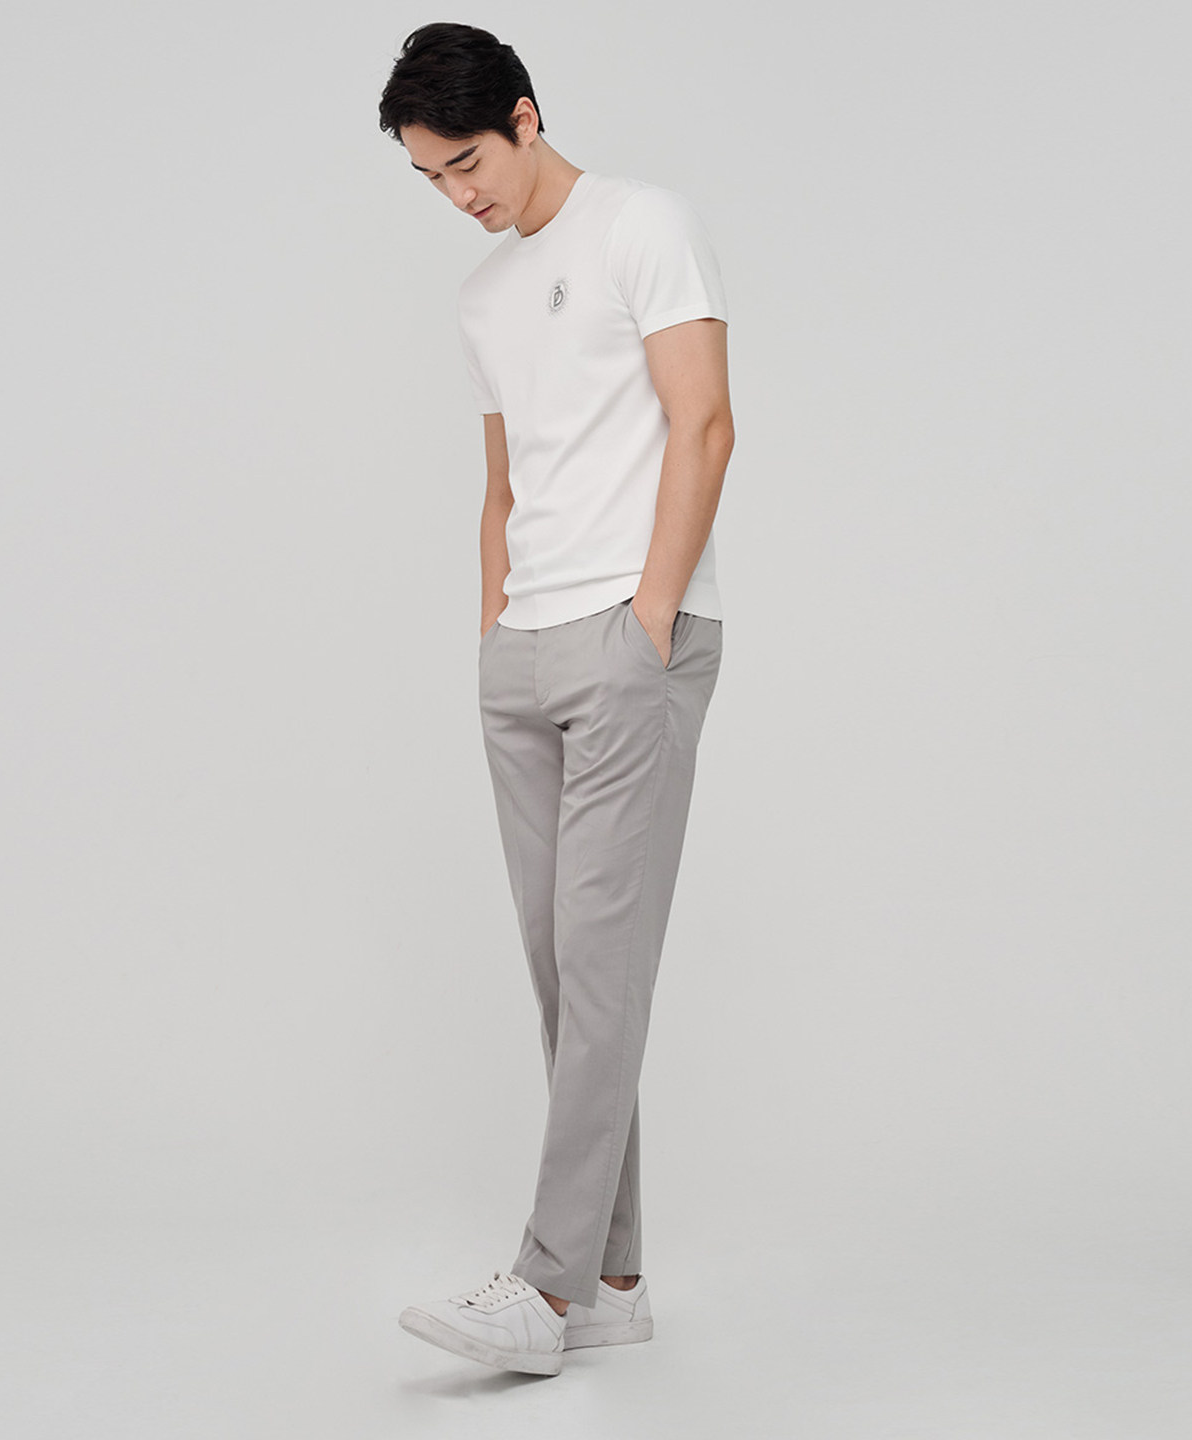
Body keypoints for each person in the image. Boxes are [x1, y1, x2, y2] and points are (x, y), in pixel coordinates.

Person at [378, 22, 734, 1377]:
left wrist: (651, 619)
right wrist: (494, 632)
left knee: (600, 965)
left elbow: (705, 423)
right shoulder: (482, 298)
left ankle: (542, 1288)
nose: (457, 194)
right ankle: (614, 1281)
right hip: (523, 655)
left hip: (629, 639)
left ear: (525, 117)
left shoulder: (644, 224)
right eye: (430, 177)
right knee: (563, 971)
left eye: (467, 161)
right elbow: (504, 482)